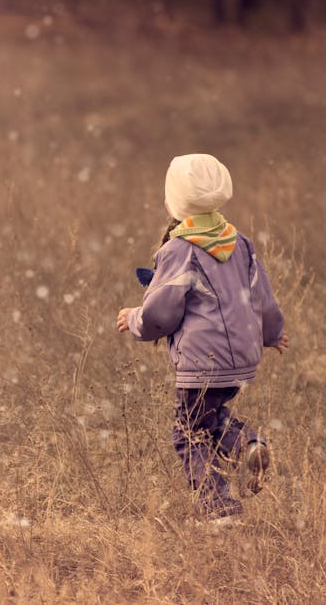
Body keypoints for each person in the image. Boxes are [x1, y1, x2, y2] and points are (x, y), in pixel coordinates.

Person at [117, 153, 288, 520]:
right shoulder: (241, 244)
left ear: (173, 202)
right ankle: (248, 443)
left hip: (201, 362)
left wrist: (134, 319)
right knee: (207, 420)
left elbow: (161, 313)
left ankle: (219, 508)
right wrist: (272, 334)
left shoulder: (180, 251)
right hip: (240, 361)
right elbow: (263, 298)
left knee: (188, 434)